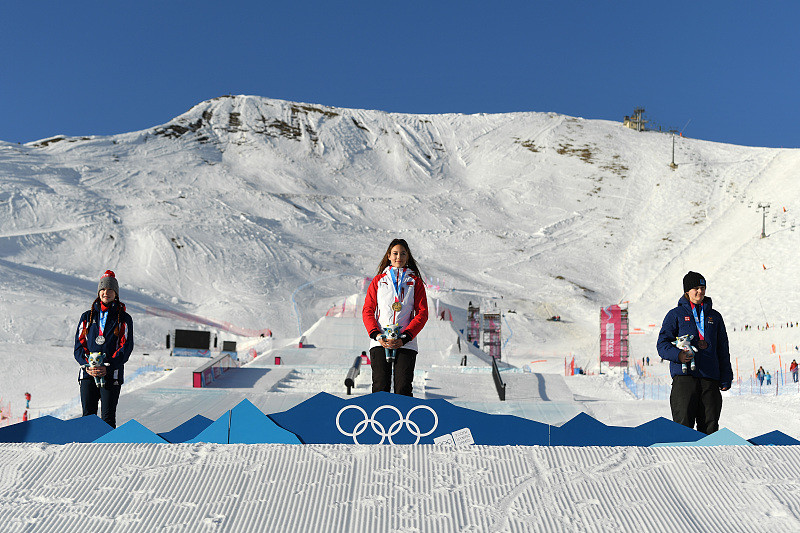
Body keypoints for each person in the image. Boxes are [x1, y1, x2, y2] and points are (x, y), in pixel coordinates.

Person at [656, 271, 732, 434]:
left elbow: (723, 349)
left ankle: (709, 459)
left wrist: (726, 376)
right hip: (684, 378)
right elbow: (662, 344)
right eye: (696, 288)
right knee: (683, 427)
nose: (700, 292)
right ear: (687, 291)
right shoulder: (675, 315)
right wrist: (678, 355)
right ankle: (682, 460)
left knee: (710, 428)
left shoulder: (715, 317)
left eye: (703, 287)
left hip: (709, 378)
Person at [362, 239, 428, 396]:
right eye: (395, 253)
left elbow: (422, 313)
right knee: (380, 385)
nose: (399, 257)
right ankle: (378, 419)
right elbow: (368, 310)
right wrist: (377, 335)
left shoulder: (415, 282)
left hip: (406, 341)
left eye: (403, 253)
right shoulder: (378, 281)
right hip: (380, 340)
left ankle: (403, 420)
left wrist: (406, 337)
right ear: (389, 256)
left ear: (408, 256)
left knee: (403, 387)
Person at [73, 270, 134, 427]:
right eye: (103, 289)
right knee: (87, 416)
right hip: (88, 372)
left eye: (110, 289)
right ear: (98, 292)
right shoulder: (87, 316)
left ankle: (106, 451)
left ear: (116, 293)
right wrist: (88, 365)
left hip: (111, 373)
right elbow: (79, 346)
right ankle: (86, 451)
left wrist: (108, 367)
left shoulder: (124, 318)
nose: (106, 292)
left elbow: (125, 347)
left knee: (107, 417)